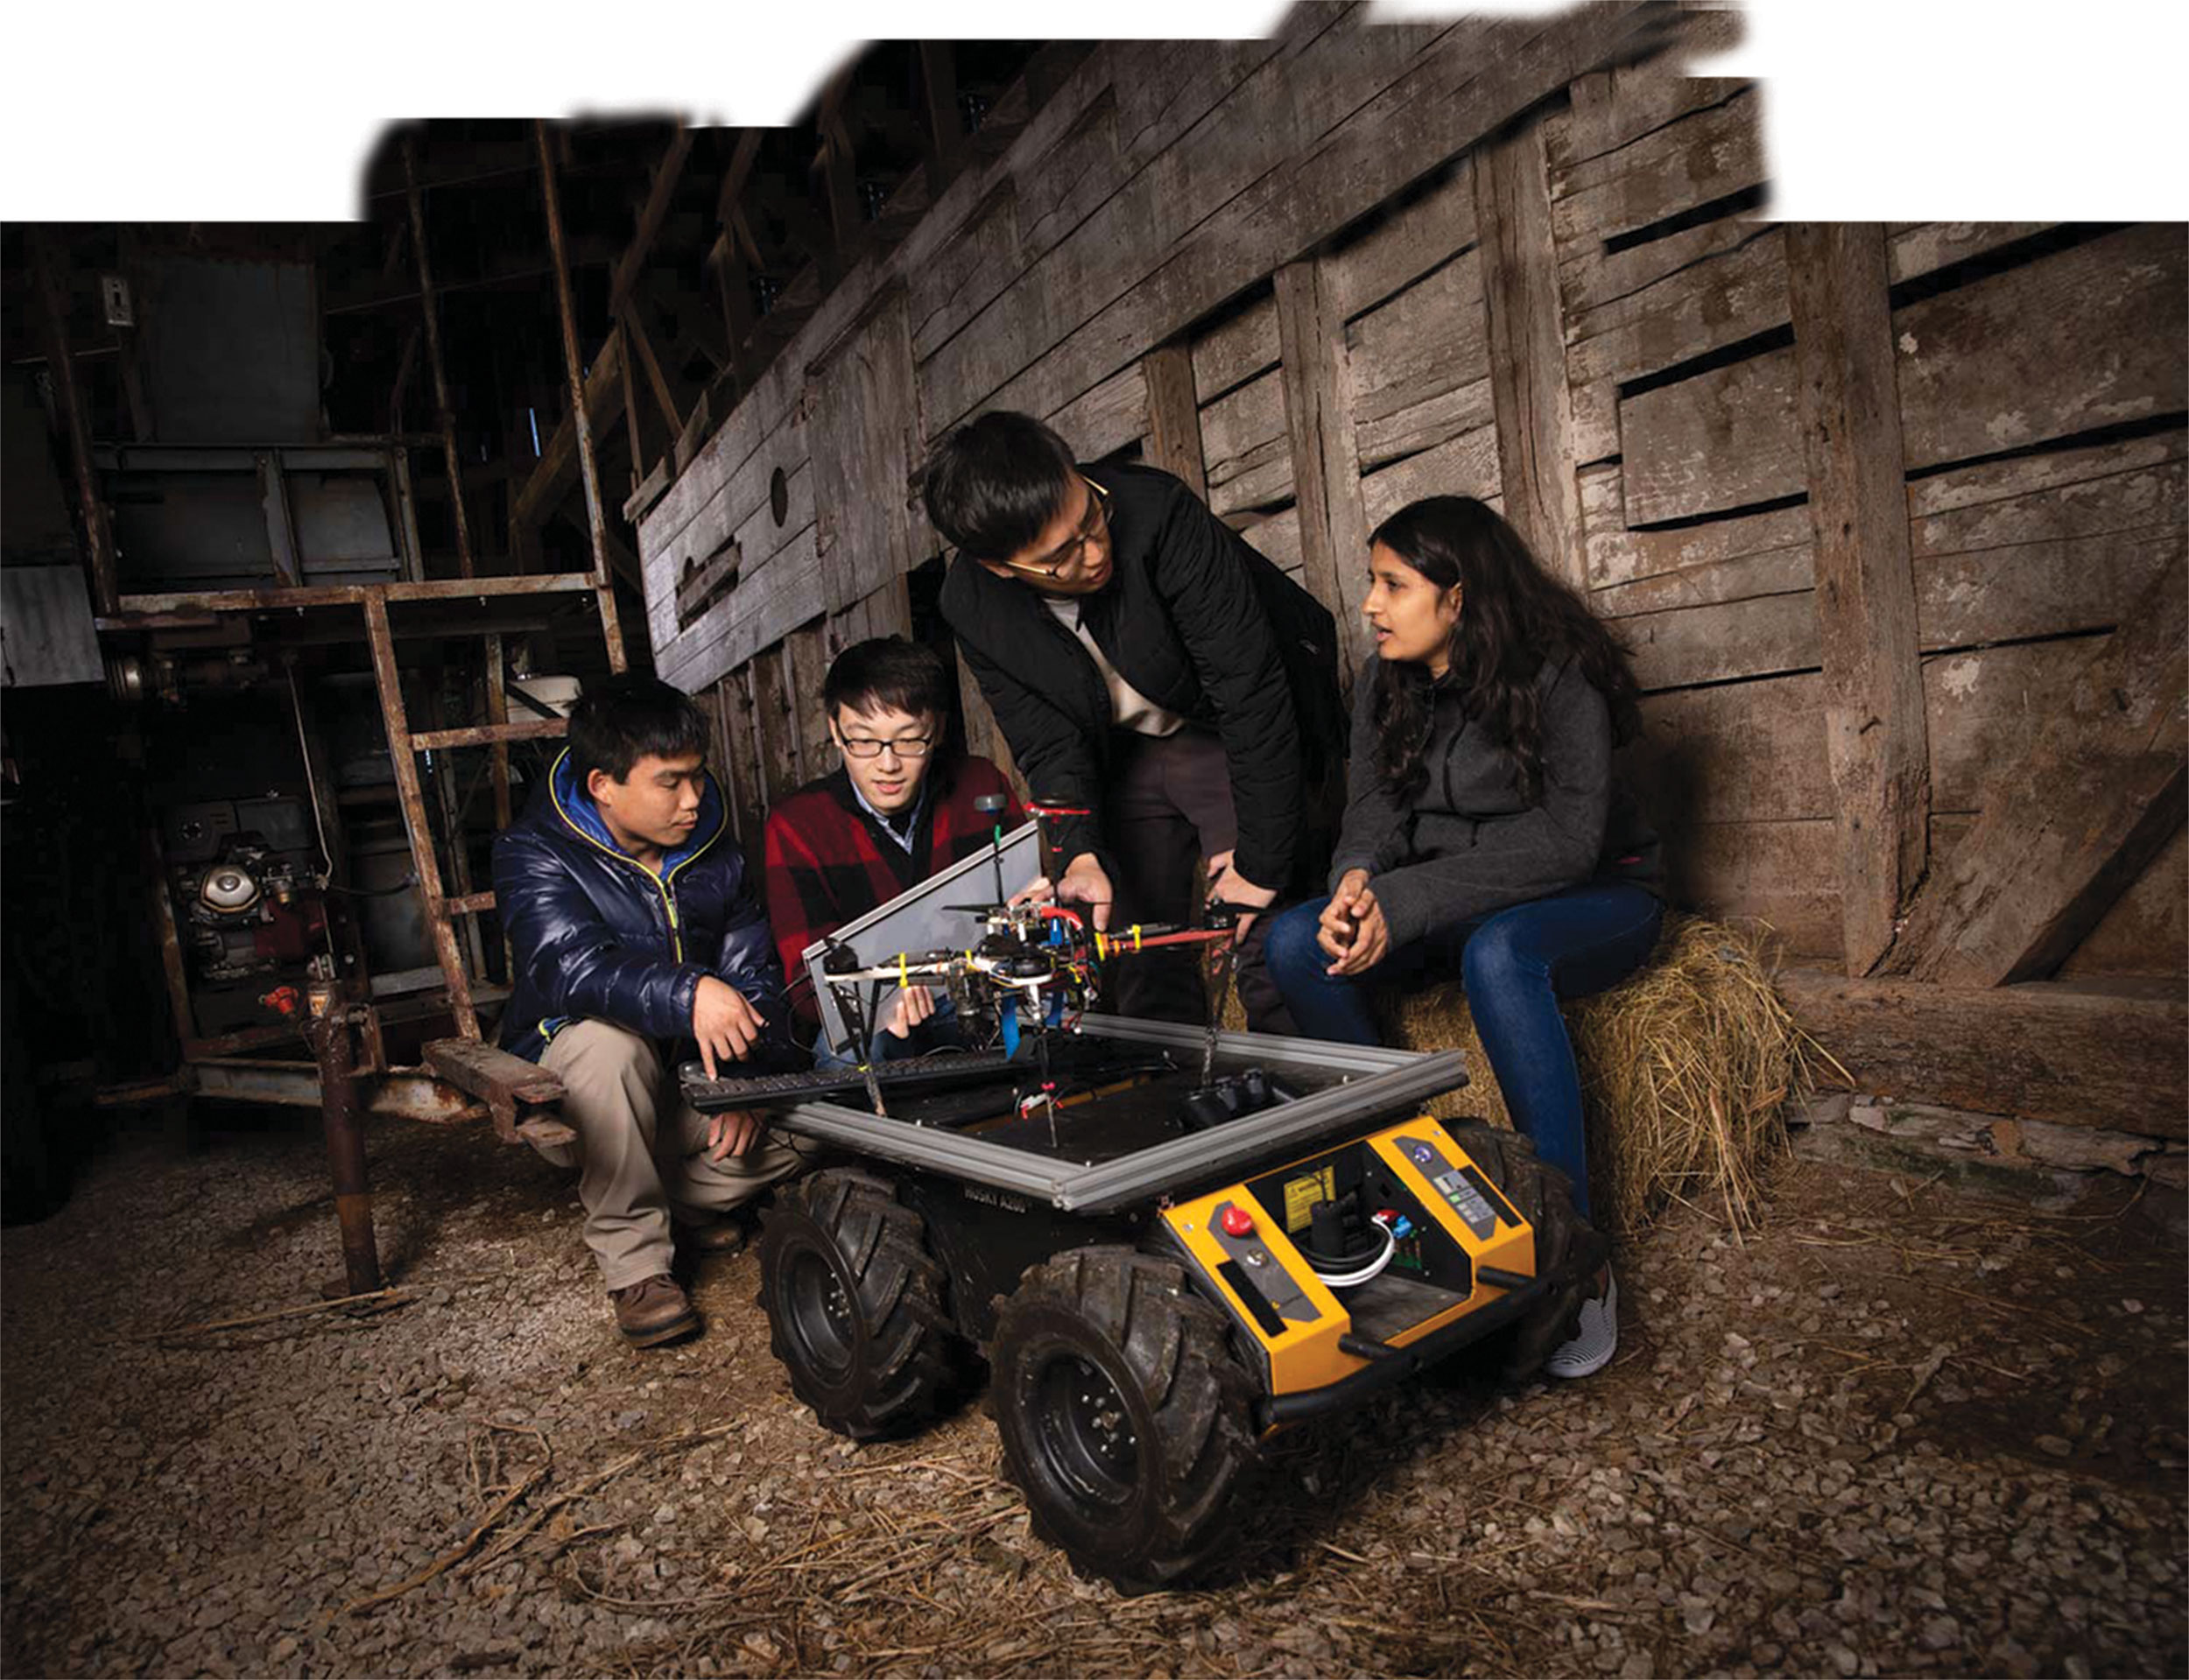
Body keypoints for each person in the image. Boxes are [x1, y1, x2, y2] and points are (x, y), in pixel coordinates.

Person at [1262, 496, 1665, 1380]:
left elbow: (1566, 841)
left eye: (1392, 584)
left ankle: (1571, 1254)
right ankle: (1405, 1186)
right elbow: (1372, 806)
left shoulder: (1561, 675)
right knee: (1296, 942)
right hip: (1447, 900)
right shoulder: (1386, 677)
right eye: (1374, 581)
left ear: (1460, 597)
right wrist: (1356, 885)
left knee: (1500, 955)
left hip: (1592, 898)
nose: (1370, 603)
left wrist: (1403, 902)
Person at [921, 410, 1344, 1032]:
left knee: (1259, 926)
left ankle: (1305, 1102)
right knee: (1135, 945)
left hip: (1225, 728)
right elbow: (1046, 743)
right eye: (1061, 555)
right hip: (1125, 753)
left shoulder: (1159, 512)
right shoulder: (971, 604)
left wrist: (1260, 864)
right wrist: (1080, 853)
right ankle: (1173, 1099)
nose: (1094, 553)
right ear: (999, 568)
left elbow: (1249, 688)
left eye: (1091, 517)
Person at [493, 673, 812, 1348]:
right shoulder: (533, 852)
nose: (693, 799)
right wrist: (691, 991)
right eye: (670, 782)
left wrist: (748, 1083)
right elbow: (568, 968)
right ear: (604, 785)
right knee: (612, 1046)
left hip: (686, 1089)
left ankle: (665, 1198)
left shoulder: (713, 851)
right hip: (586, 1094)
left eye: (697, 776)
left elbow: (754, 974)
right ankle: (638, 1265)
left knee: (819, 1115)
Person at [762, 636, 1023, 1062]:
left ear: (936, 730)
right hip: (874, 1013)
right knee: (847, 1051)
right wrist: (882, 998)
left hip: (983, 990)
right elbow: (807, 986)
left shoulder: (980, 784)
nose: (887, 764)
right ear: (834, 729)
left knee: (1053, 1016)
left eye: (908, 740)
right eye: (863, 741)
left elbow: (1024, 908)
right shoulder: (798, 824)